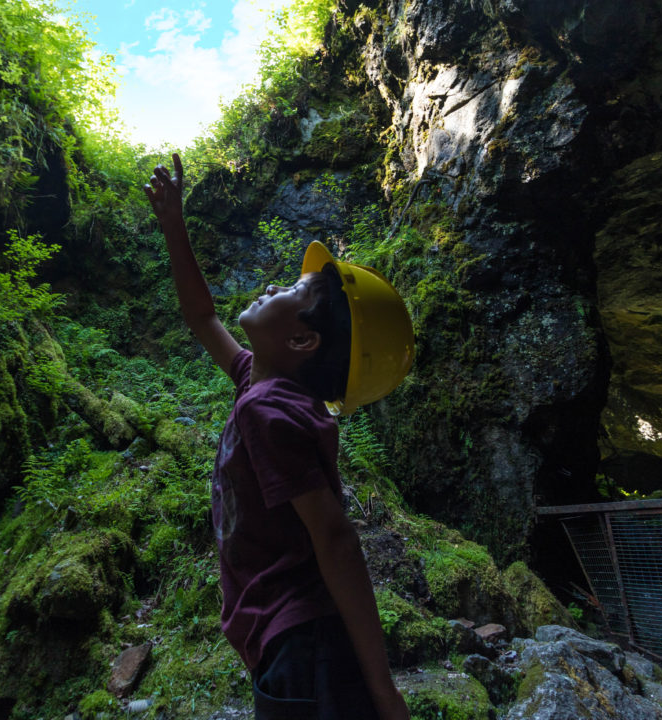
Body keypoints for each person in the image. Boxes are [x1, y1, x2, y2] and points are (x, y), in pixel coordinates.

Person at [144, 153, 412, 720]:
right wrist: (174, 226)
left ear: (301, 342)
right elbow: (202, 318)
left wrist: (384, 689)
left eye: (293, 288)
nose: (272, 284)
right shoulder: (260, 384)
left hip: (303, 642)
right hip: (290, 639)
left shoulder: (270, 408)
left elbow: (336, 539)